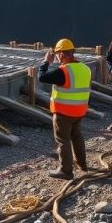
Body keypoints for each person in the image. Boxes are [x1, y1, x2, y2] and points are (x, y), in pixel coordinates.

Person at [38, 38, 92, 179]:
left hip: (63, 112)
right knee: (77, 136)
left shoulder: (64, 71)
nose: (56, 57)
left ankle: (66, 171)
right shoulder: (85, 69)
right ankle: (82, 164)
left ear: (61, 54)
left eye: (57, 54)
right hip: (79, 111)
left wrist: (46, 62)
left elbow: (41, 77)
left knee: (63, 140)